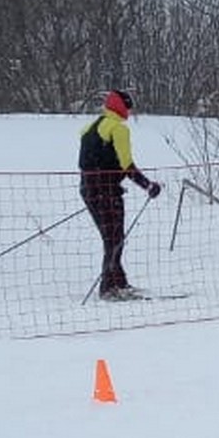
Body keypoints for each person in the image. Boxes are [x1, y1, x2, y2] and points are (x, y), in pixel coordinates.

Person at [77, 87, 160, 301]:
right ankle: (108, 287)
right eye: (129, 108)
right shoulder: (119, 130)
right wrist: (148, 185)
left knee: (112, 238)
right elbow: (126, 165)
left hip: (88, 189)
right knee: (114, 239)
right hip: (107, 192)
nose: (130, 113)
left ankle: (118, 282)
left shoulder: (90, 127)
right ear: (122, 107)